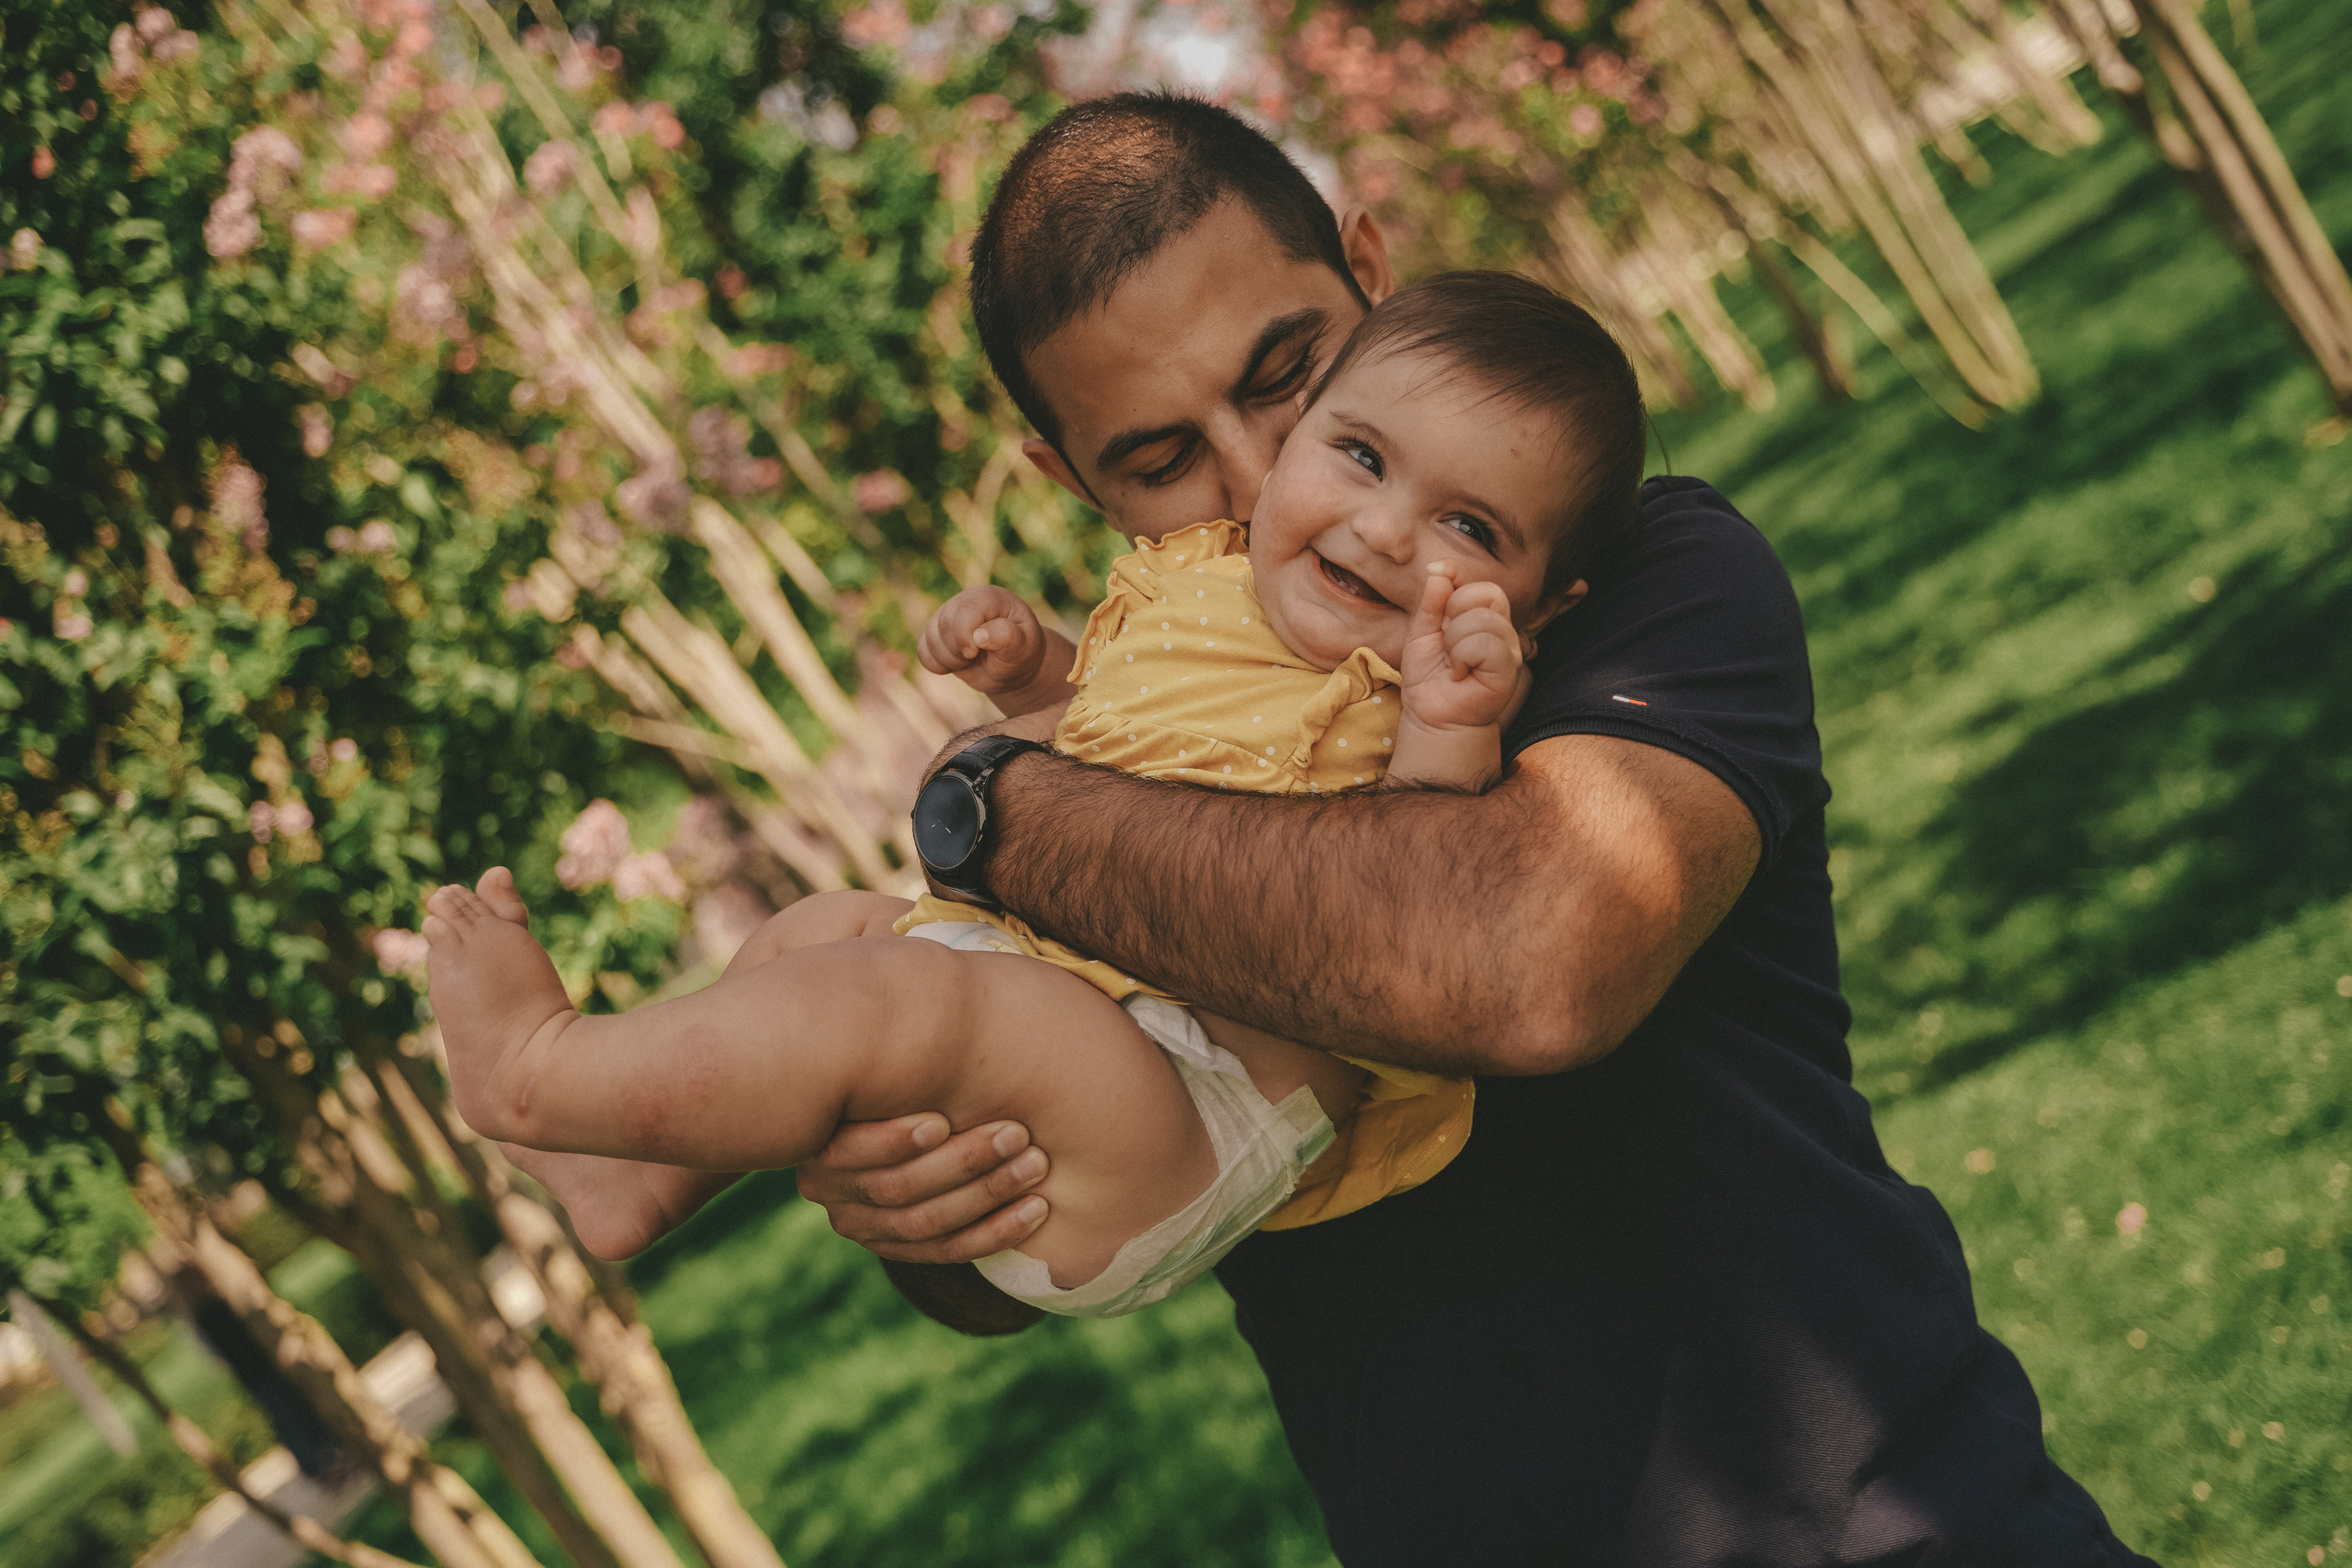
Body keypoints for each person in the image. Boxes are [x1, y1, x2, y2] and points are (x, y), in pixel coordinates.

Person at [778, 94, 2158, 1562]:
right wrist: (920, 1203)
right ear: (1072, 477)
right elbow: (1054, 1234)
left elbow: (1524, 965)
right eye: (1160, 459)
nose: (1261, 493)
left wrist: (990, 807)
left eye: (1291, 378)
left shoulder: (1639, 574)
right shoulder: (1125, 726)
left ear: (1372, 271)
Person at [427, 271, 1644, 1319]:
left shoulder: (1422, 686)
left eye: (1471, 528)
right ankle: (639, 1181)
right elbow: (1124, 737)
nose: (1384, 529)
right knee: (822, 935)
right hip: (1065, 1029)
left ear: (1546, 604)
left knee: (898, 998)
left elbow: (1417, 883)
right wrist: (1042, 675)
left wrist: (1452, 718)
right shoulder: (1202, 584)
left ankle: (542, 1071)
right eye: (1362, 458)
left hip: (1190, 1108)